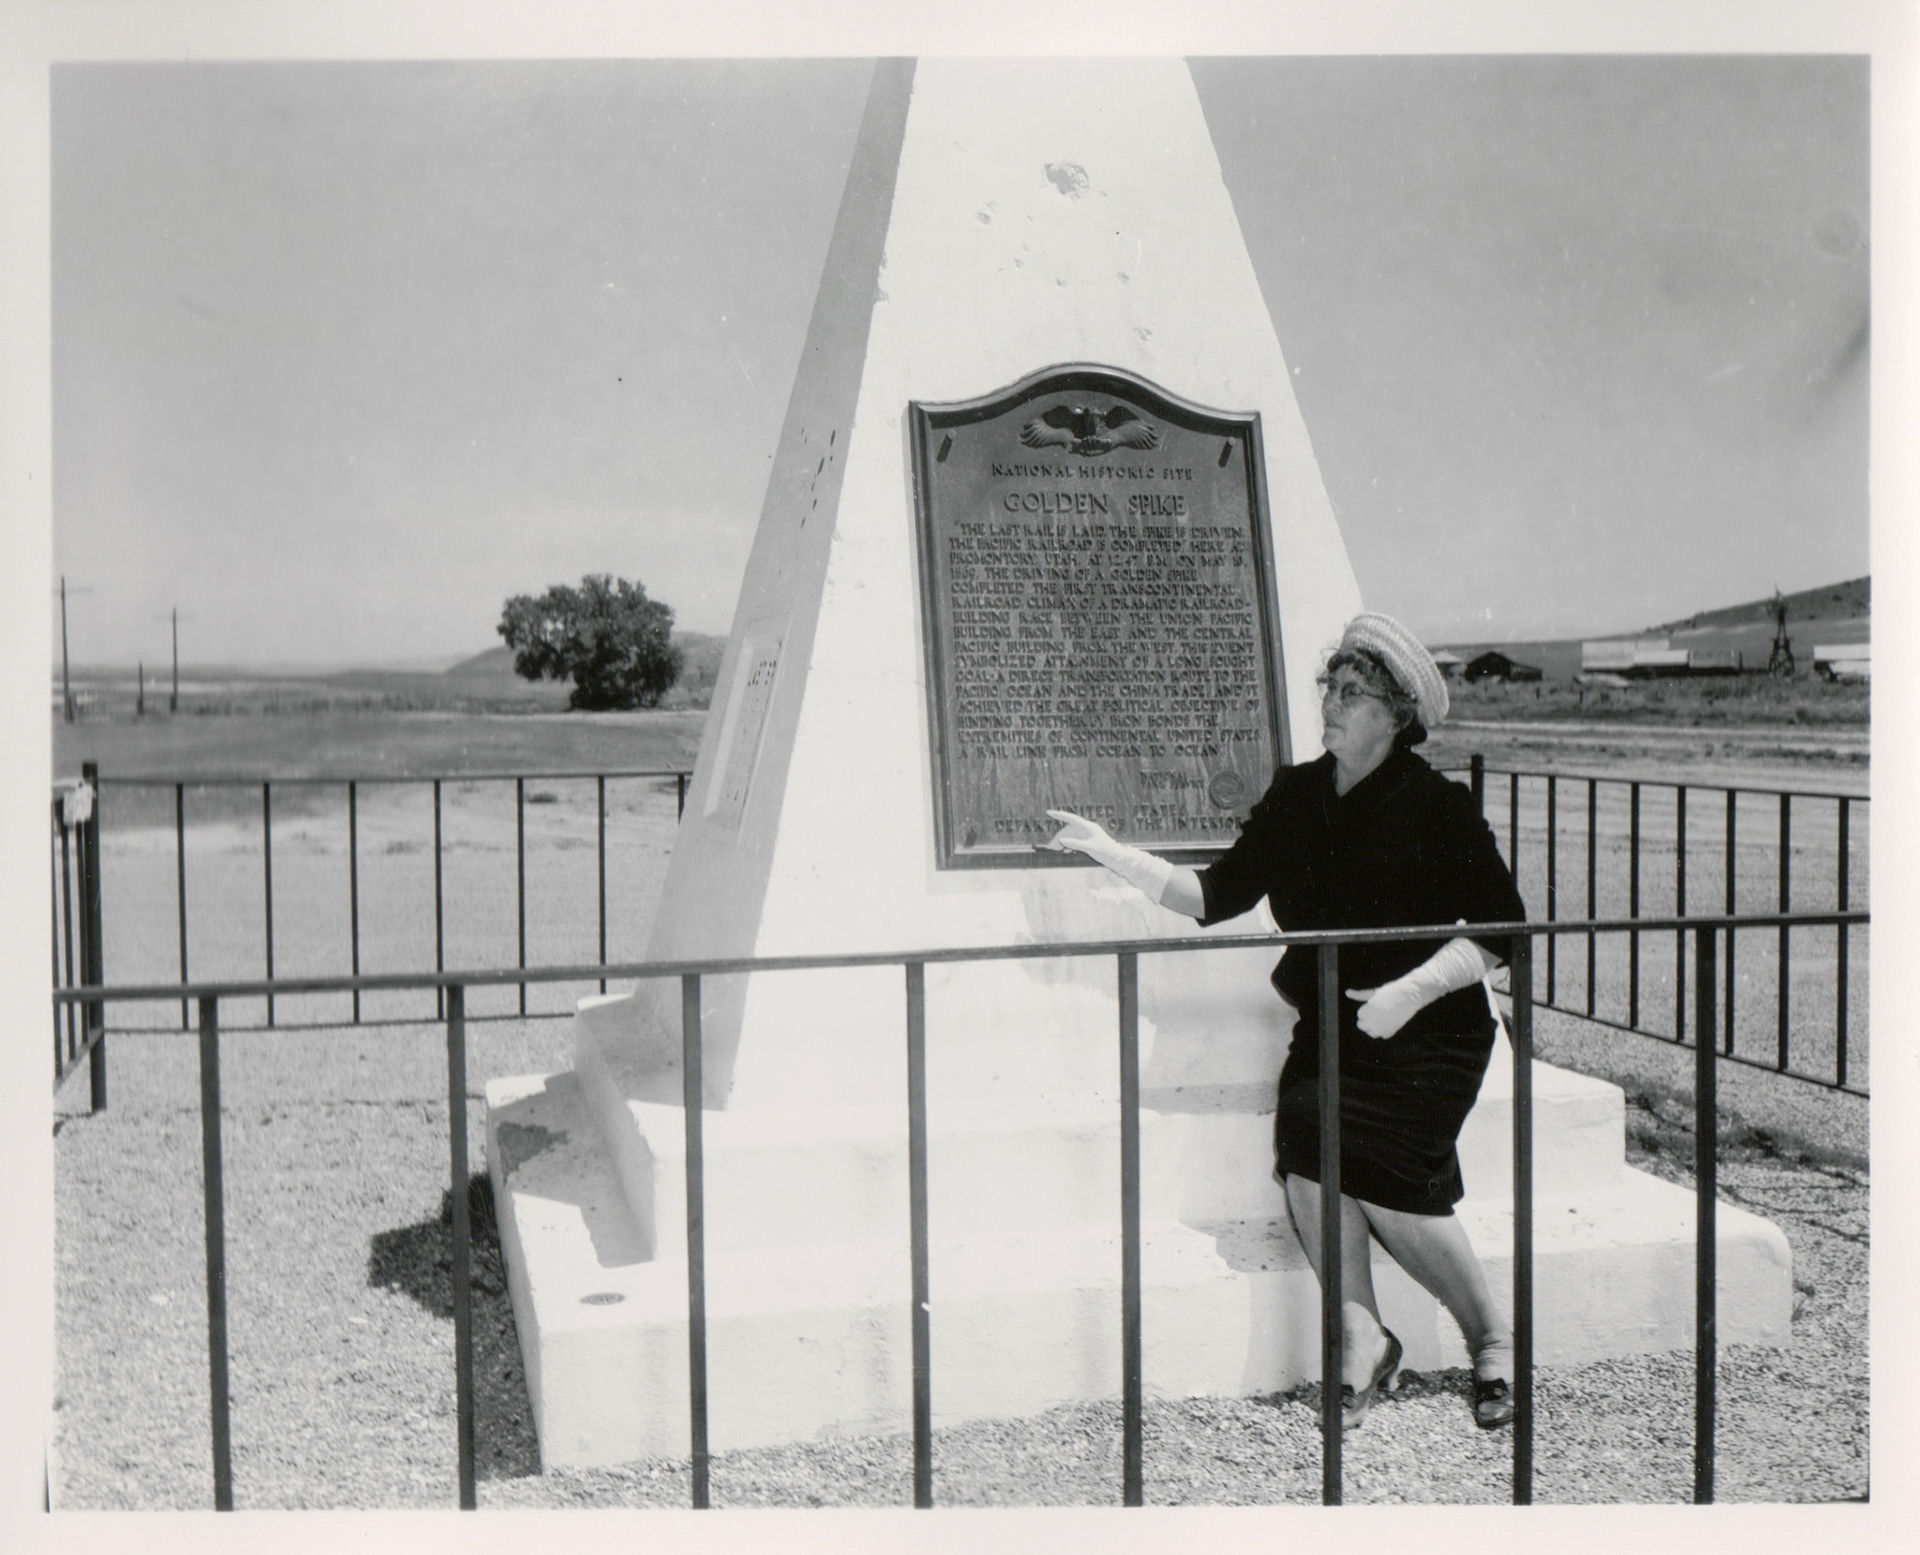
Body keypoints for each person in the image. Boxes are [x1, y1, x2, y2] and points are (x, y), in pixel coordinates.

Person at [1046, 612, 1526, 1431]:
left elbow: (1501, 928)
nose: (1331, 706)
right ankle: (1358, 1335)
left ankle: (1494, 1336)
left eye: (1352, 693)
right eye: (1329, 689)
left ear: (1396, 713)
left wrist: (1406, 993)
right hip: (1334, 1029)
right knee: (1306, 1139)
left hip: (1432, 1032)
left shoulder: (1436, 806)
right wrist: (1109, 850)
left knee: (1394, 1182)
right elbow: (1214, 894)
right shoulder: (1298, 794)